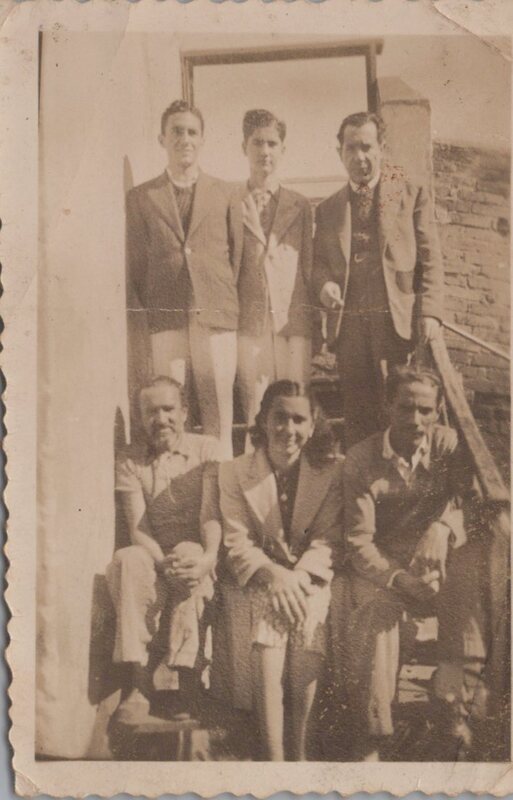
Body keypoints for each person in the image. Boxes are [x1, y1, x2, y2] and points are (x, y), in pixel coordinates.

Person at [341, 366, 487, 760]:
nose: (416, 420)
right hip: (385, 570)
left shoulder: (449, 445)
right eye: (406, 408)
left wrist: (443, 527)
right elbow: (358, 542)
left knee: (467, 597)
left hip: (438, 567)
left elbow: (474, 505)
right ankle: (372, 739)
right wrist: (400, 578)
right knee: (376, 614)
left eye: (426, 410)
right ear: (388, 407)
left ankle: (451, 713)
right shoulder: (361, 459)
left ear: (438, 411)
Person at [218, 380, 344, 760]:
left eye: (299, 420)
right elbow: (237, 541)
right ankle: (274, 756)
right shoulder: (234, 471)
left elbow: (328, 537)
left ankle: (300, 752)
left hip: (309, 576)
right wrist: (275, 576)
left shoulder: (331, 472)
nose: (289, 429)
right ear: (263, 420)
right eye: (280, 418)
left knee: (309, 616)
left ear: (313, 424)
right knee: (270, 621)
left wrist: (299, 578)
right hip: (260, 576)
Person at [313, 111, 444, 448]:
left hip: (394, 322)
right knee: (357, 413)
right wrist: (325, 286)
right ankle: (361, 474)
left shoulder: (409, 191)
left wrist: (430, 312)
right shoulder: (328, 208)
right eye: (351, 148)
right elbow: (319, 265)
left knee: (399, 405)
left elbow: (429, 257)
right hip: (350, 328)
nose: (360, 157)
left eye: (367, 147)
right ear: (339, 152)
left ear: (381, 148)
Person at [126, 100, 242, 459]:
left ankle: (220, 484)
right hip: (167, 317)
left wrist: (218, 294)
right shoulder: (141, 197)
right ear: (162, 138)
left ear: (202, 139)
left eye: (192, 132)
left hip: (215, 314)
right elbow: (136, 263)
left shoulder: (227, 192)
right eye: (176, 131)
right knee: (170, 407)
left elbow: (237, 257)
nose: (185, 139)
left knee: (218, 412)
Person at [107, 376, 222, 723]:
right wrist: (162, 564)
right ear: (141, 417)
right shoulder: (130, 460)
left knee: (189, 554)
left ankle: (187, 681)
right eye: (151, 412)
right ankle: (138, 683)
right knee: (127, 559)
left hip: (198, 547)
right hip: (154, 550)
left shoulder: (207, 450)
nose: (161, 419)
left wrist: (208, 558)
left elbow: (210, 514)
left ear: (184, 411)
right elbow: (138, 528)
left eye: (168, 409)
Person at [235, 109, 314, 432]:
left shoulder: (300, 204)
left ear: (283, 149)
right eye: (257, 143)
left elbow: (308, 265)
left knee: (296, 402)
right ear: (244, 147)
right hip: (250, 319)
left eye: (272, 143)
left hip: (292, 319)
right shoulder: (231, 201)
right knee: (255, 406)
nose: (264, 151)